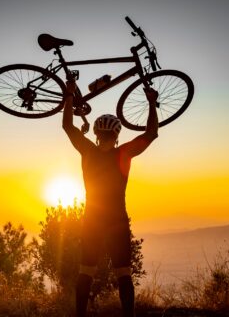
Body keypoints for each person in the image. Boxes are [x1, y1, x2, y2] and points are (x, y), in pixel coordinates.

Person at [62, 77, 158, 317]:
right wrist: (152, 103)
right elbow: (152, 133)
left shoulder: (88, 151)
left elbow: (67, 126)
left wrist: (70, 94)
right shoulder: (123, 153)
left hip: (91, 219)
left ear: (96, 135)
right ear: (115, 136)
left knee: (86, 271)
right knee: (123, 273)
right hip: (117, 220)